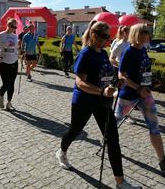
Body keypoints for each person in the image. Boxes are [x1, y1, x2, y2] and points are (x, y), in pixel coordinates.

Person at [56, 21, 141, 189]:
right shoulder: (86, 54)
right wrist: (101, 91)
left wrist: (118, 82)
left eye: (109, 37)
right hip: (84, 101)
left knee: (113, 139)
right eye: (104, 37)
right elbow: (80, 82)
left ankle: (120, 182)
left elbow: (106, 75)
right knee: (75, 130)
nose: (108, 40)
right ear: (94, 35)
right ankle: (61, 152)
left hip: (103, 103)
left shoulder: (103, 53)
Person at [115, 23, 165, 175]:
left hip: (145, 95)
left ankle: (164, 162)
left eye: (146, 32)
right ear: (134, 34)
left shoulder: (143, 50)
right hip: (129, 95)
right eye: (142, 32)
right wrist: (138, 88)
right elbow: (122, 75)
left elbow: (143, 71)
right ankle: (109, 145)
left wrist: (150, 83)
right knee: (115, 121)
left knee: (154, 126)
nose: (145, 35)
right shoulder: (129, 51)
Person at [0, 18, 18, 111]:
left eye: (16, 27)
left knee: (12, 84)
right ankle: (1, 97)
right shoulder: (0, 35)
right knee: (6, 84)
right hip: (3, 62)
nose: (14, 28)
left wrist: (20, 53)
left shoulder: (15, 36)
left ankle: (9, 103)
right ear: (8, 25)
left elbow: (15, 49)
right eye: (13, 26)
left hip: (14, 61)